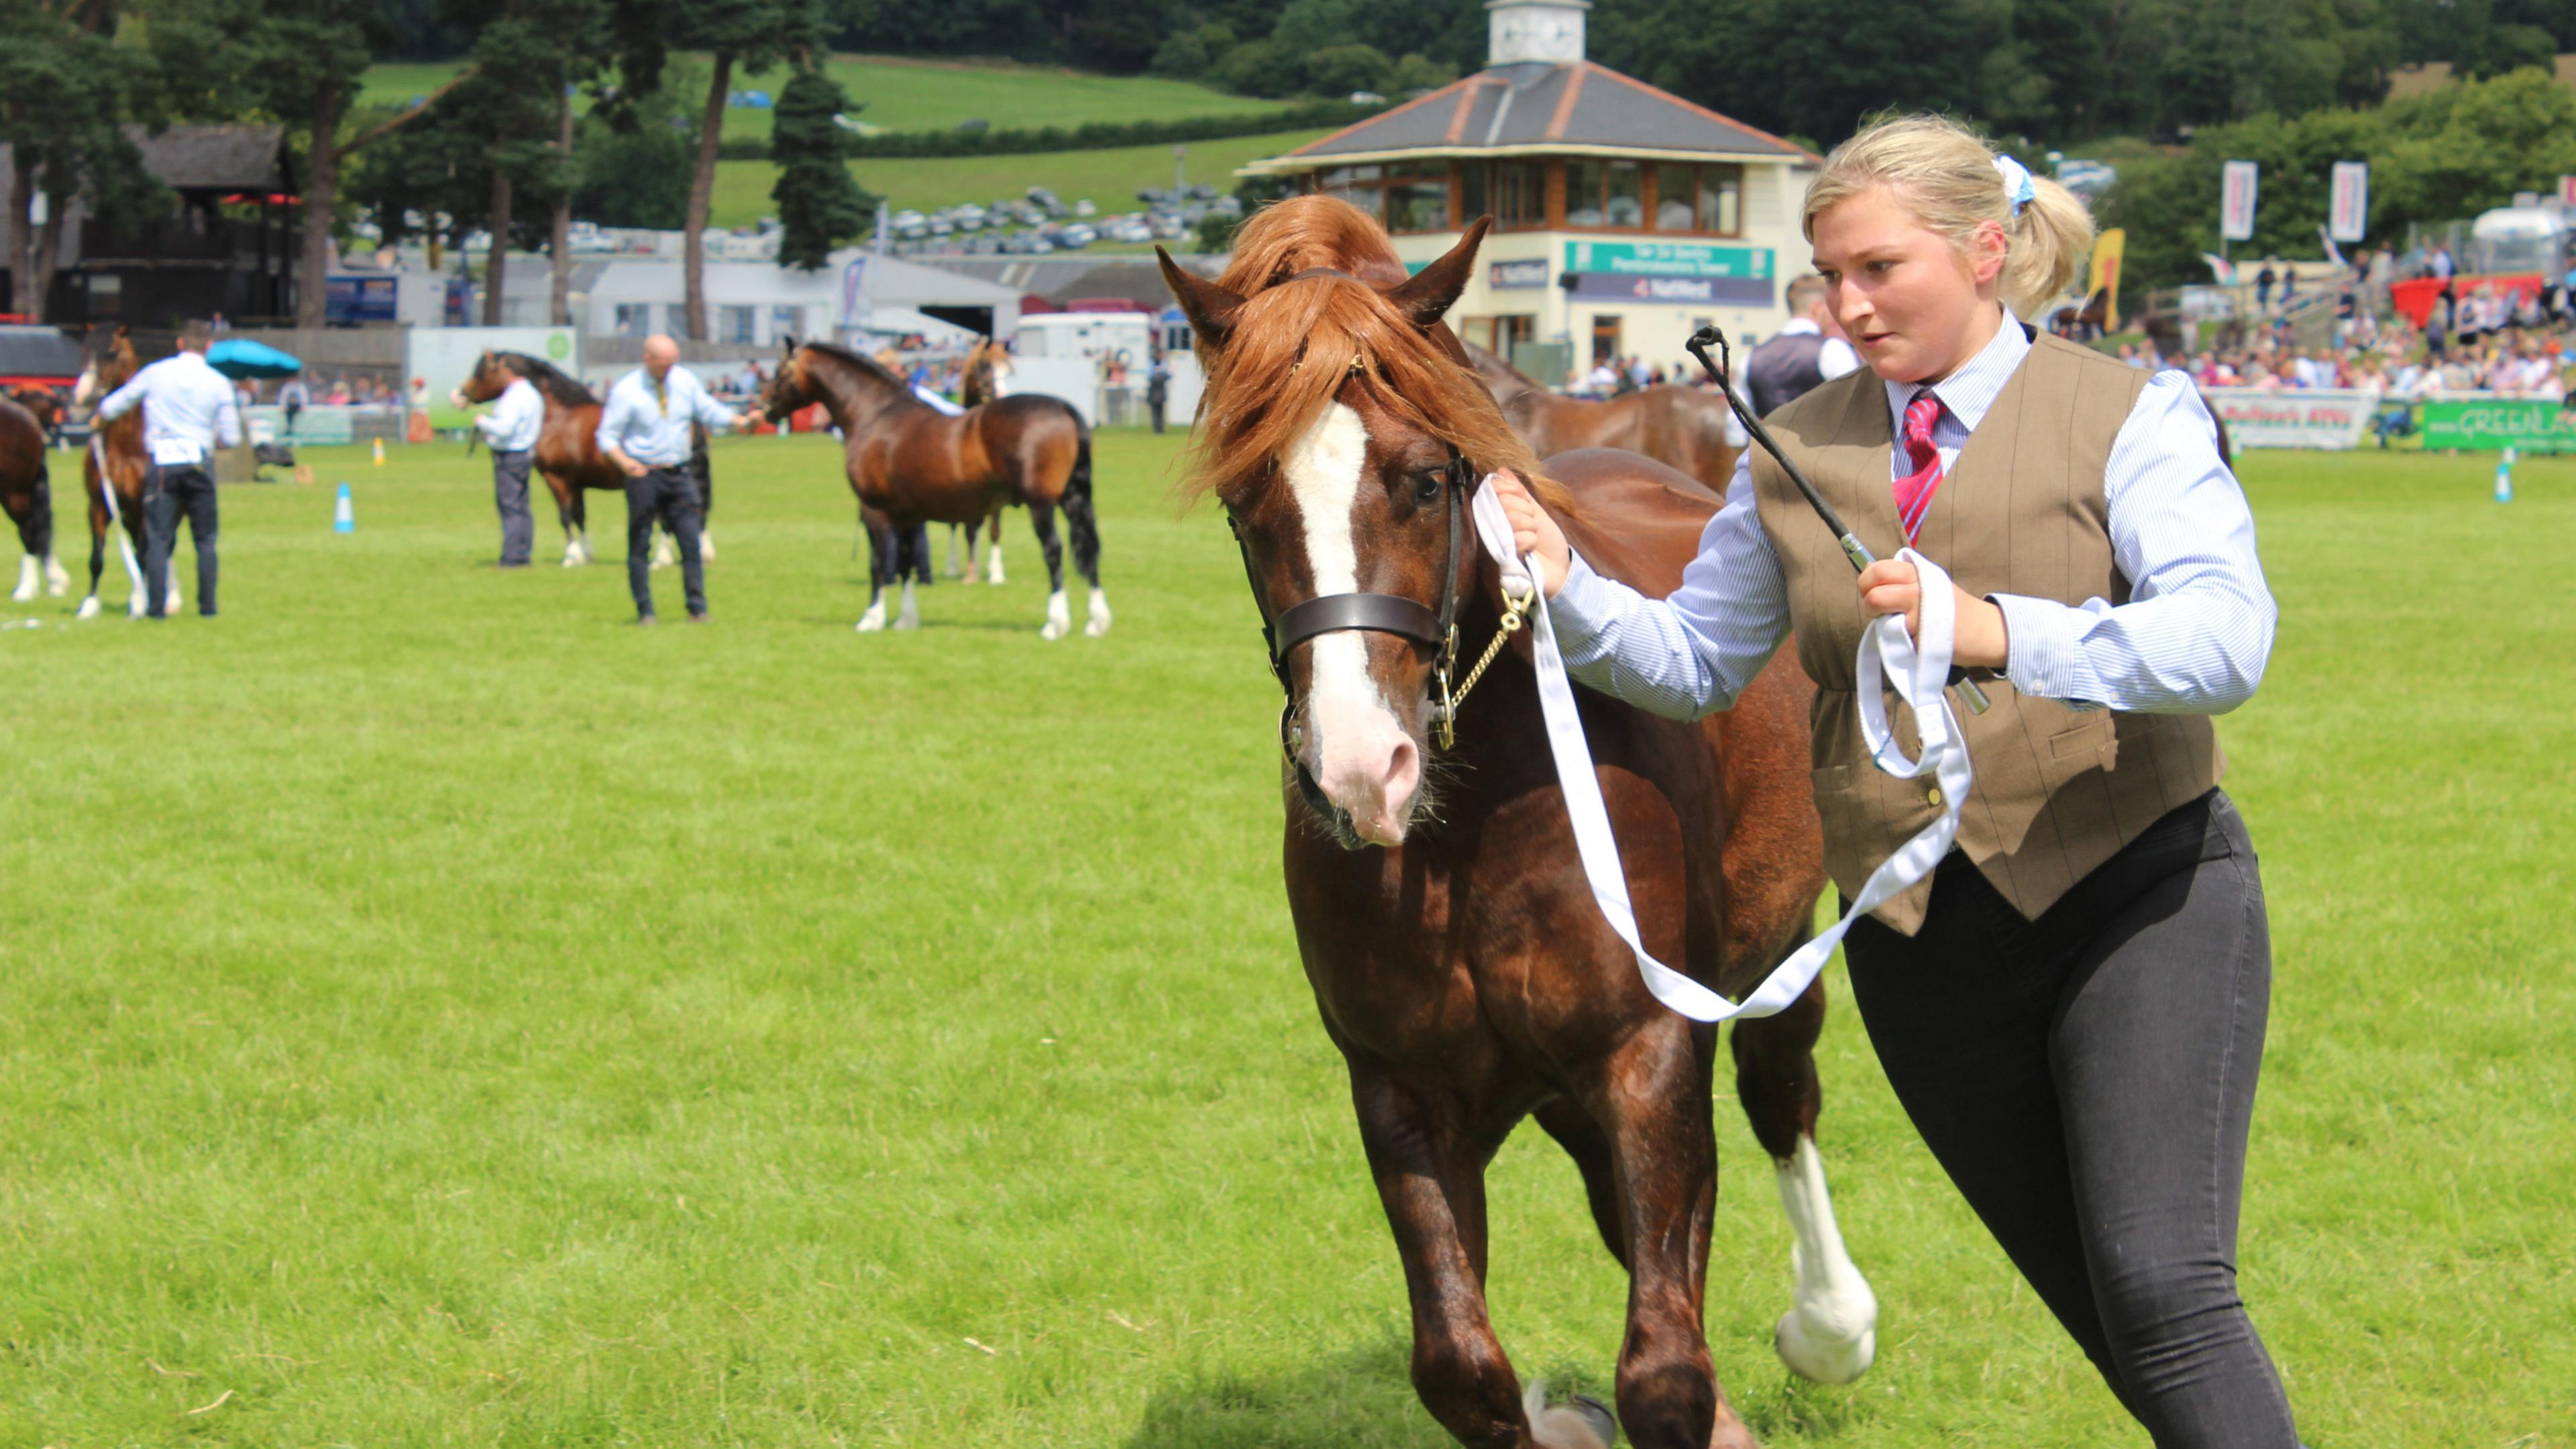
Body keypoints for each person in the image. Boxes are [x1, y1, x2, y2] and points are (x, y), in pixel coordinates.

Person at [1492, 113, 2296, 1447]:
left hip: (2140, 899)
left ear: (1986, 251)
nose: (1846, 305)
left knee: (2166, 1292)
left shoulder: (2130, 414)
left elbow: (2229, 640)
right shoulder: (1790, 448)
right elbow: (1694, 661)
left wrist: (2001, 628)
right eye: (1827, 277)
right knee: (2110, 1311)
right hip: (1922, 951)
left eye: (1879, 269)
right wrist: (1569, 589)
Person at [594, 335, 753, 623]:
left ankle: (697, 608)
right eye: (663, 365)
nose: (669, 371)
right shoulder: (627, 390)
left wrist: (738, 421)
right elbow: (606, 436)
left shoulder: (684, 381)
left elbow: (707, 409)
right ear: (648, 360)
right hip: (644, 474)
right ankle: (645, 610)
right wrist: (625, 462)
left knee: (690, 542)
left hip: (680, 472)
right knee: (640, 543)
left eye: (672, 364)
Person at [95, 325, 240, 619]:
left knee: (158, 537)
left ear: (180, 342)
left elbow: (116, 404)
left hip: (163, 463)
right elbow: (233, 437)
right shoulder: (219, 382)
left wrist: (100, 416)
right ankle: (207, 607)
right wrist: (215, 441)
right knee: (205, 540)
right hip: (199, 464)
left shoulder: (156, 373)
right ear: (209, 346)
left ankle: (157, 607)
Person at [1746, 272, 1865, 413]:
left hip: (1766, 434)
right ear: (1817, 309)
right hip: (1821, 435)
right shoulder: (1833, 350)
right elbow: (1857, 406)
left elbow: (1737, 420)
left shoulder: (1752, 357)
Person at [468, 355, 543, 567]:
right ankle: (523, 552)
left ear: (509, 372)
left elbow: (505, 428)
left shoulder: (514, 396)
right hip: (526, 453)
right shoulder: (533, 394)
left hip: (509, 455)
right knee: (522, 506)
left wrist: (483, 422)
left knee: (509, 506)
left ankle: (511, 557)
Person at [1145, 349, 1171, 435]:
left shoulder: (1163, 364)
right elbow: (1149, 376)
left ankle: (1160, 428)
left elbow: (1168, 375)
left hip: (1160, 390)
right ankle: (1157, 428)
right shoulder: (1152, 364)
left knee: (1160, 411)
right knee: (1155, 411)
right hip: (1154, 390)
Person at [278, 373, 309, 439]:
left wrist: (303, 405)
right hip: (289, 405)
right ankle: (289, 429)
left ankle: (290, 429)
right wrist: (283, 406)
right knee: (289, 413)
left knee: (292, 412)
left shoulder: (300, 387)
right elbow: (283, 397)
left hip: (297, 405)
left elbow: (304, 397)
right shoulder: (287, 387)